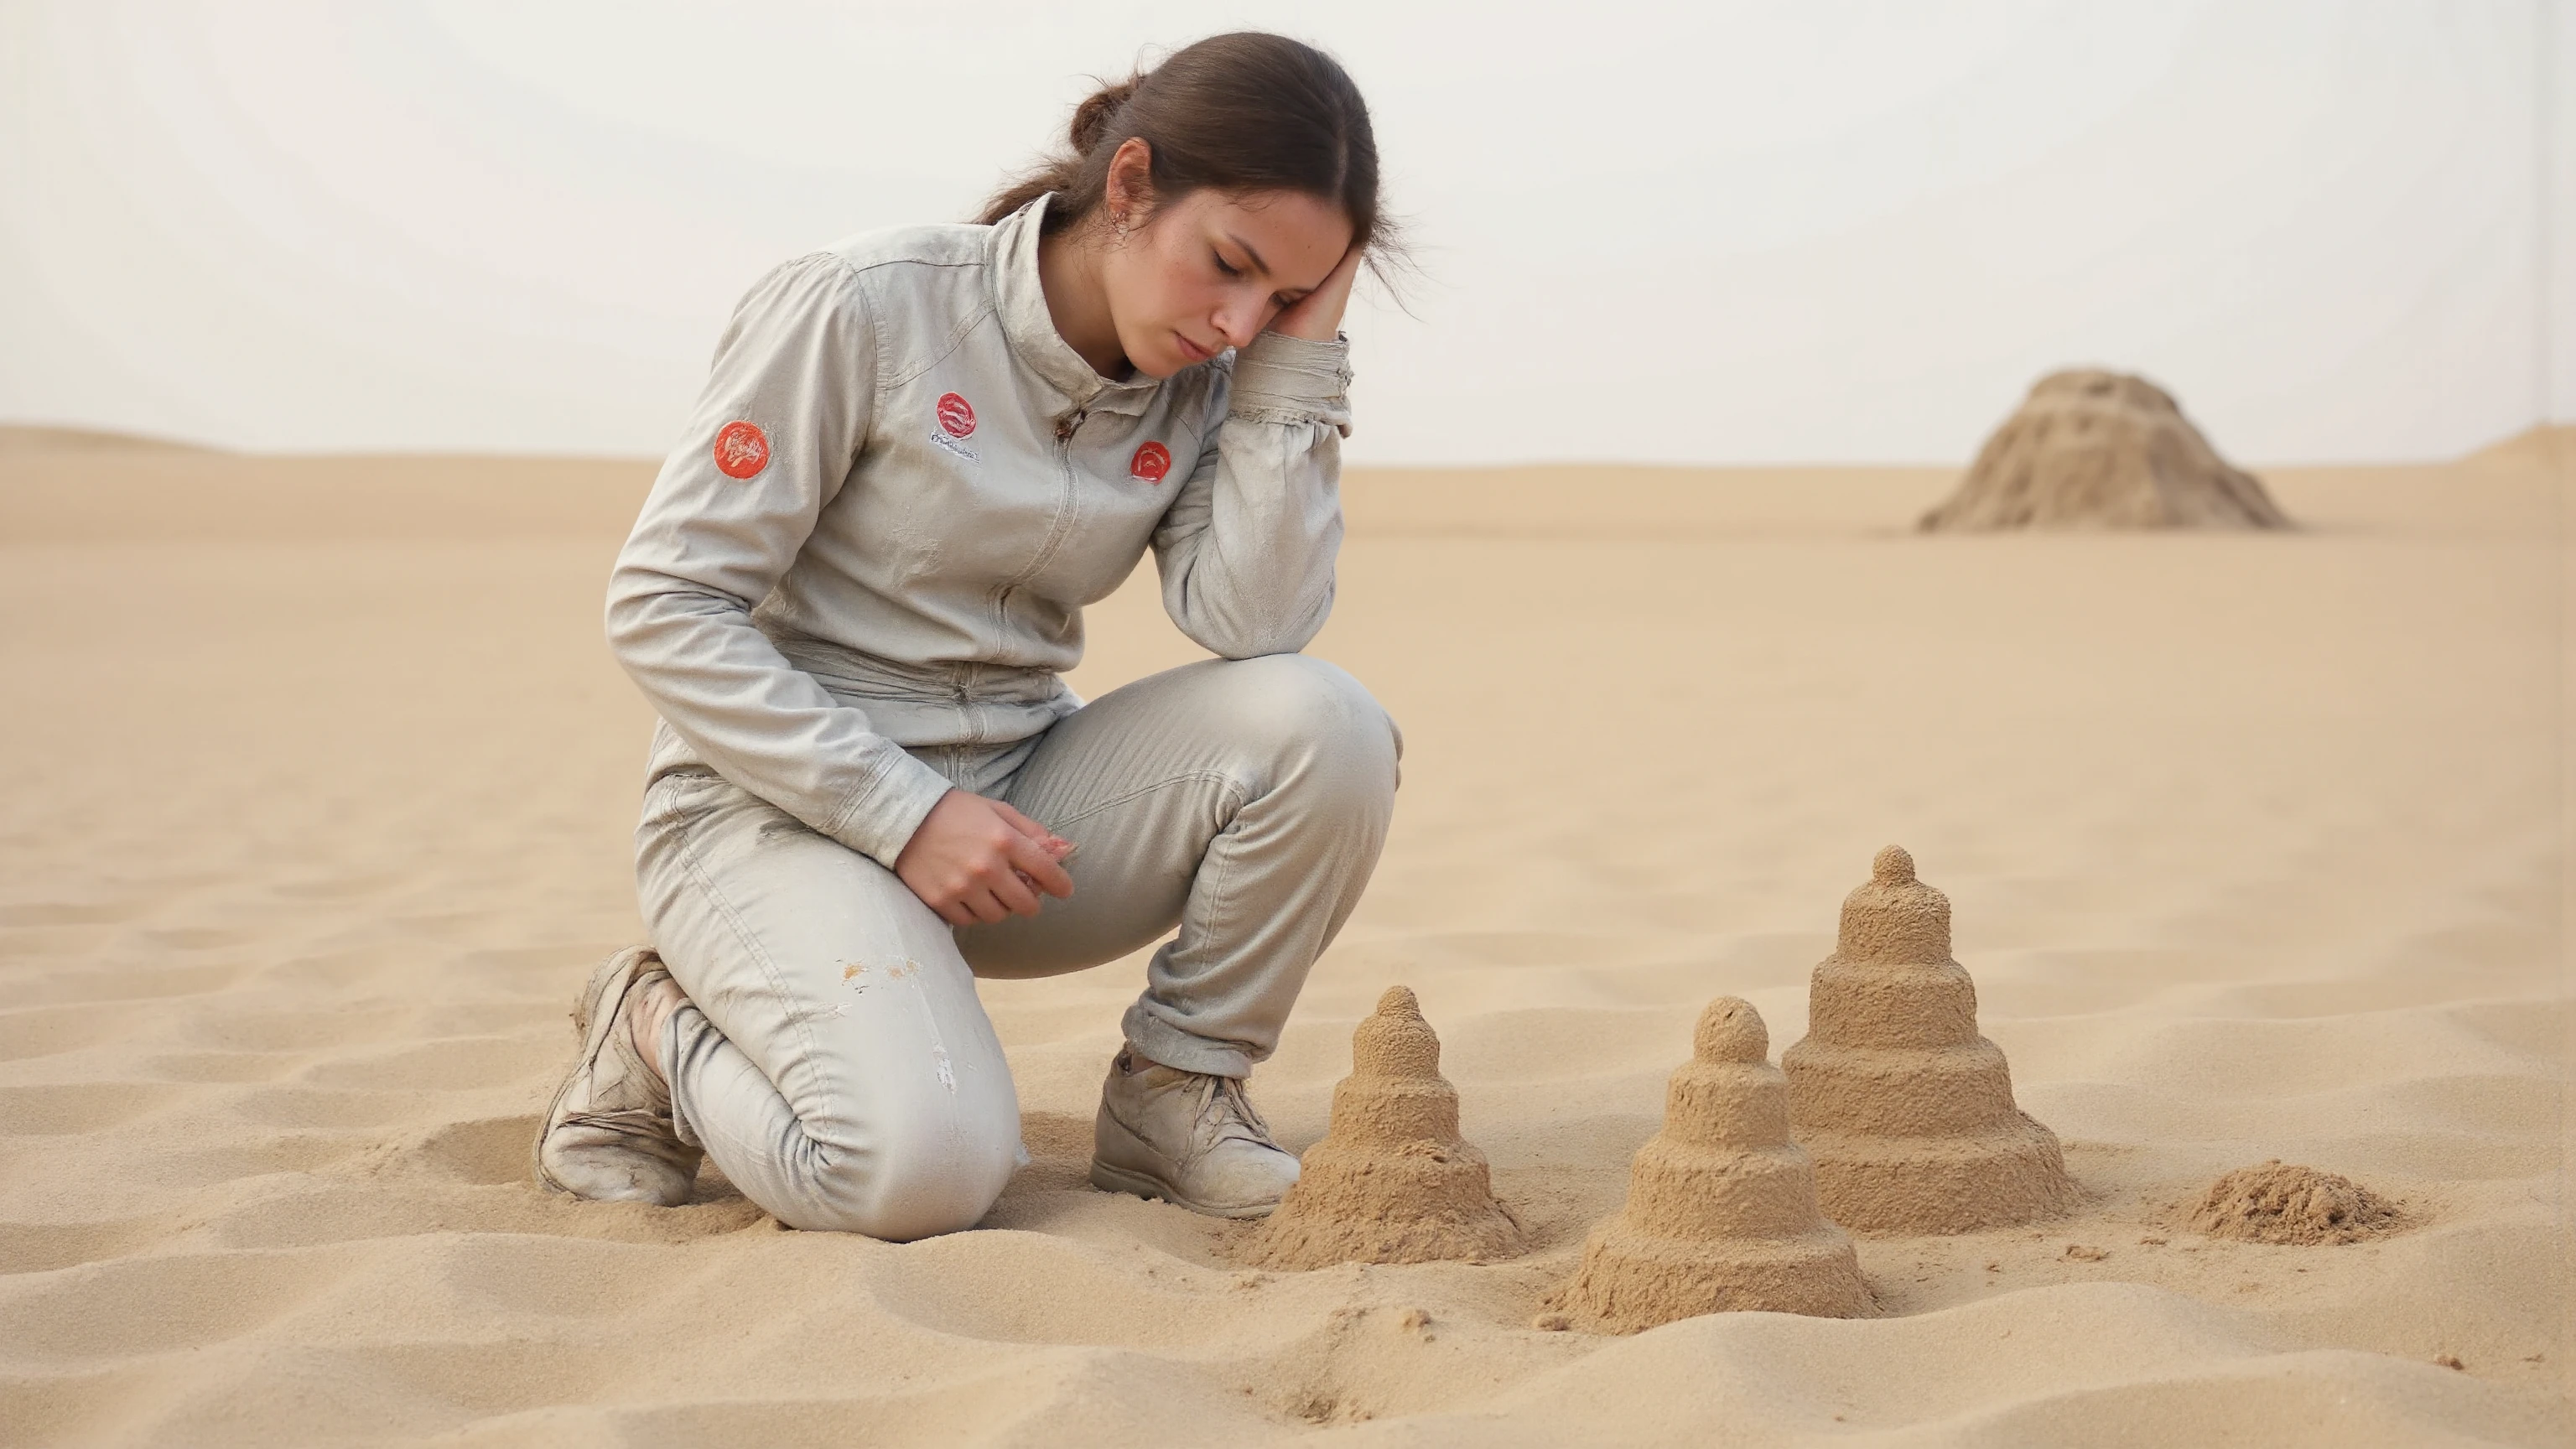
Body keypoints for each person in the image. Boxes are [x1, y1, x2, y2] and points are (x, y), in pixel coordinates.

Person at [531, 31, 1402, 1242]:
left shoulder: (1219, 378)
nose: (1238, 322)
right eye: (1231, 266)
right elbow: (665, 604)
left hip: (1010, 817)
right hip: (772, 817)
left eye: (1286, 297)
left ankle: (1178, 1098)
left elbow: (1253, 622)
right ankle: (650, 1027)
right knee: (923, 1176)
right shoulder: (870, 305)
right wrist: (902, 814)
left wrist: (1295, 370)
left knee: (1330, 724)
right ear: (1133, 182)